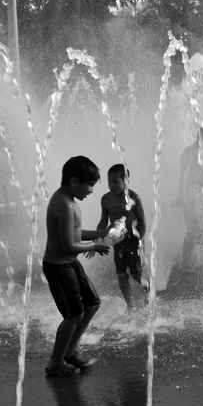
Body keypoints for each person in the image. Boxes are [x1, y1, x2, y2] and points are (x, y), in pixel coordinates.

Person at [43, 156, 113, 378]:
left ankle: (71, 350)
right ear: (74, 182)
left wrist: (101, 233)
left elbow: (75, 234)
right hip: (58, 266)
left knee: (92, 304)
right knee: (73, 316)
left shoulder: (70, 201)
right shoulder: (63, 203)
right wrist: (96, 245)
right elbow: (67, 245)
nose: (91, 191)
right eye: (89, 185)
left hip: (70, 263)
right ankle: (55, 362)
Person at [96, 164, 148, 311]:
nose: (111, 185)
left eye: (115, 182)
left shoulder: (133, 197)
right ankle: (130, 305)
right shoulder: (106, 199)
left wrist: (139, 240)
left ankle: (148, 292)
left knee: (136, 274)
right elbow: (103, 221)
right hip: (118, 242)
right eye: (109, 181)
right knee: (121, 274)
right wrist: (98, 239)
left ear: (126, 181)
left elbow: (142, 221)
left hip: (134, 240)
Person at [176, 124, 203, 268]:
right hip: (191, 192)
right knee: (193, 227)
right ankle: (186, 262)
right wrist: (182, 196)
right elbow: (184, 174)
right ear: (202, 138)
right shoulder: (190, 152)